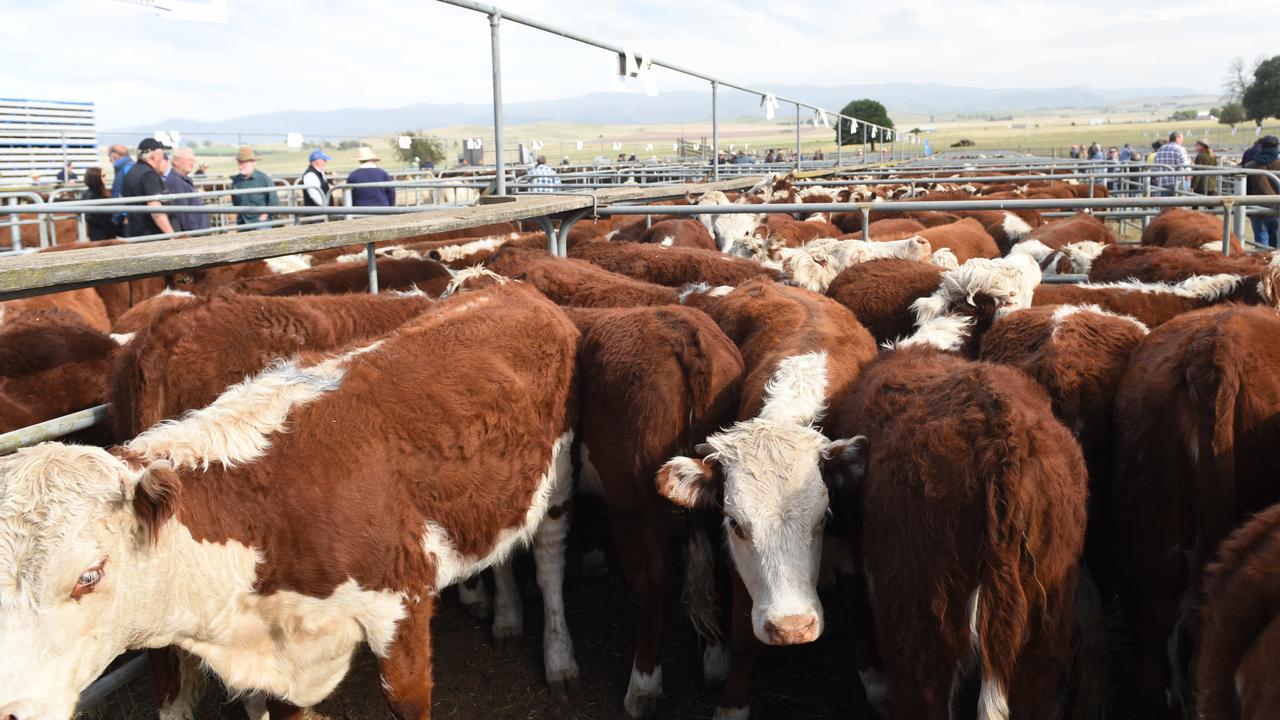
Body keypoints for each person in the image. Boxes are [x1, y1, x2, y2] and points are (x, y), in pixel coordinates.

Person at [120, 138, 174, 238]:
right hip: (151, 234)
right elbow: (155, 207)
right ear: (154, 156)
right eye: (161, 154)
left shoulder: (131, 172)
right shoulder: (149, 175)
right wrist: (171, 234)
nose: (162, 158)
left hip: (135, 232)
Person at [1243, 135, 1280, 248]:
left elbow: (1246, 189)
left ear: (1261, 147)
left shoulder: (1250, 166)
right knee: (1277, 240)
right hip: (1277, 207)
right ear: (1277, 147)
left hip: (1257, 207)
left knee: (1260, 239)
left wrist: (1247, 206)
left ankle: (1262, 262)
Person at [230, 146, 278, 228]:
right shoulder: (236, 180)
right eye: (239, 163)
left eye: (243, 163)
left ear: (252, 163)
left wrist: (265, 215)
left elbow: (273, 200)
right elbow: (235, 201)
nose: (240, 167)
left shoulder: (264, 179)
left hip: (260, 222)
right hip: (243, 222)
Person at [164, 147, 210, 233]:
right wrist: (195, 232)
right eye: (189, 160)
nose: (192, 163)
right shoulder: (175, 182)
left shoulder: (182, 180)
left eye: (193, 161)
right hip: (193, 234)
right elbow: (183, 212)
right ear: (176, 161)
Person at [80, 167, 117, 240]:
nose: (105, 178)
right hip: (99, 233)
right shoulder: (91, 195)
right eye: (103, 176)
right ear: (95, 178)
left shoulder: (101, 192)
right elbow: (91, 217)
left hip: (106, 232)